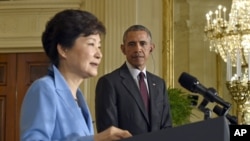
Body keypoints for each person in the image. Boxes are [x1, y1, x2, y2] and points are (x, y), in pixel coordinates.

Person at [20, 9, 132, 141]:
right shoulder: (44, 88)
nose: (99, 54)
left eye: (99, 46)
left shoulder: (79, 96)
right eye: (91, 44)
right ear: (63, 49)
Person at [95, 25, 172, 135]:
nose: (137, 49)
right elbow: (108, 132)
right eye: (132, 44)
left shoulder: (159, 84)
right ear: (123, 49)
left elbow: (166, 127)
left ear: (151, 48)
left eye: (143, 43)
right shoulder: (109, 82)